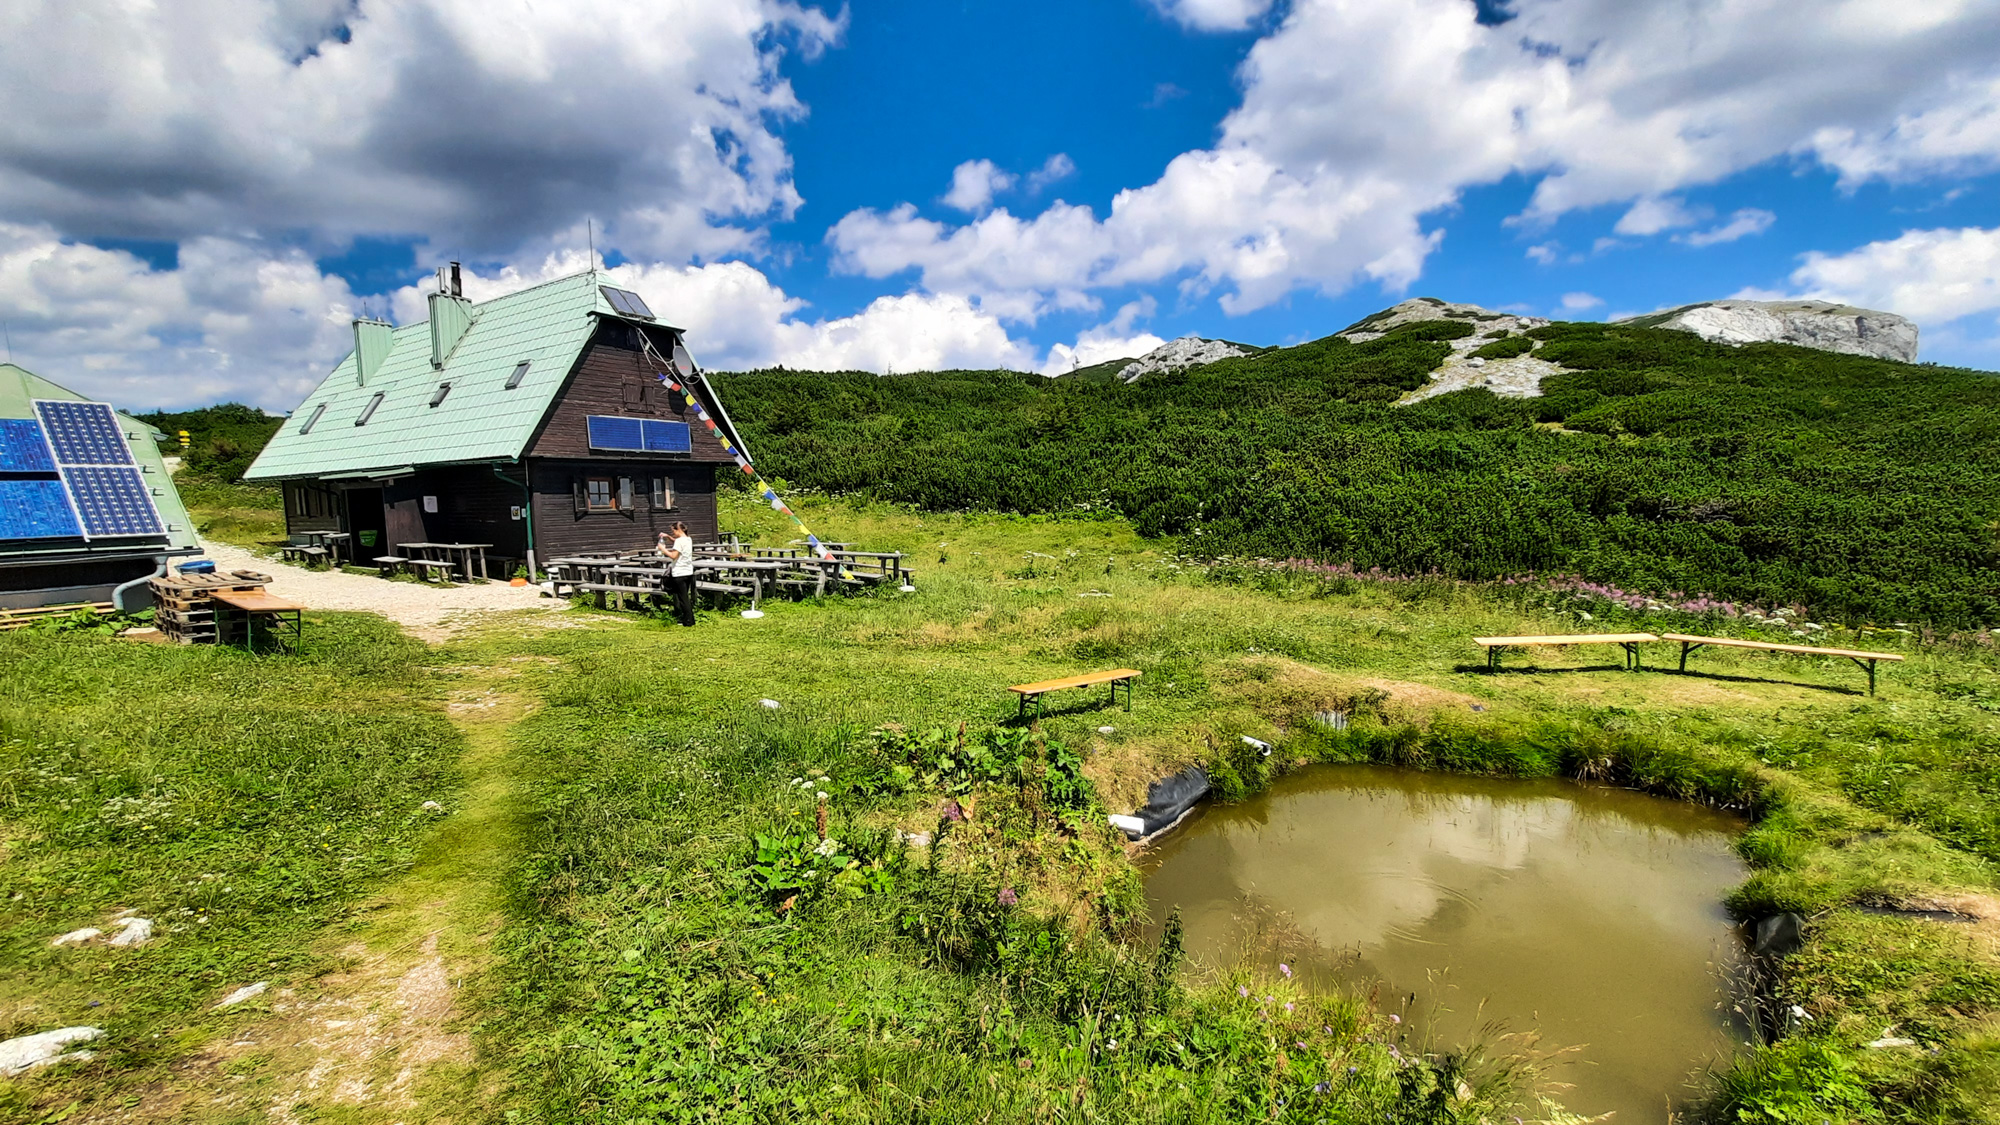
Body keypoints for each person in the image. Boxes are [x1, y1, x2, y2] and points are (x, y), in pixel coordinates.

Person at [659, 522, 696, 626]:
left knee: (683, 598)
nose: (673, 533)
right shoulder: (688, 539)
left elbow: (673, 555)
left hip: (679, 572)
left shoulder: (680, 541)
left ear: (678, 529)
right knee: (685, 597)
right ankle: (687, 618)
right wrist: (669, 537)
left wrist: (663, 549)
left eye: (673, 531)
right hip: (688, 571)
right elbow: (678, 542)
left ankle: (688, 621)